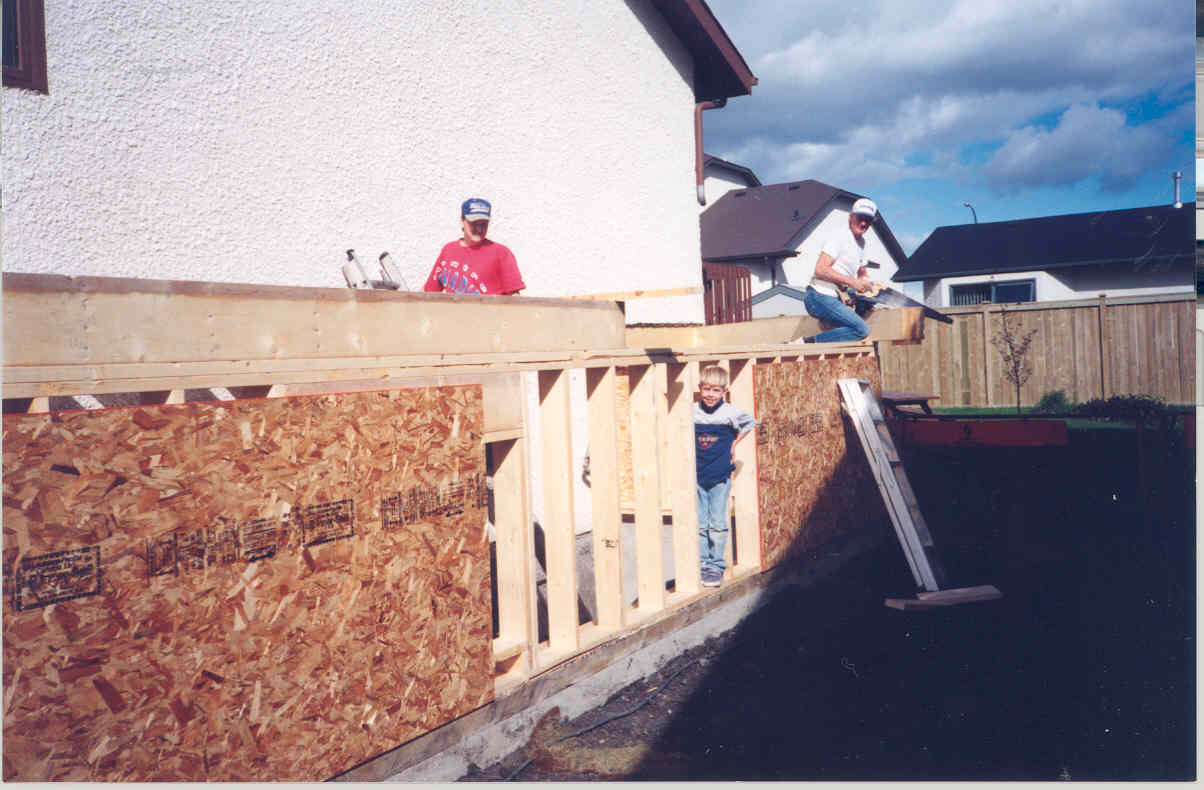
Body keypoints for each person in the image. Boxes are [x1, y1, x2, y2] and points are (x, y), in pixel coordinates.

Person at [694, 365, 756, 588]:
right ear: (700, 388)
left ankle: (716, 565)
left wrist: (734, 443)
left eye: (716, 390)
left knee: (718, 523)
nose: (711, 394)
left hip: (719, 476)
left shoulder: (730, 413)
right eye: (707, 389)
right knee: (700, 523)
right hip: (696, 476)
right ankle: (701, 563)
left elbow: (750, 422)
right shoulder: (692, 411)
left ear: (725, 391)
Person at [796, 196, 878, 343]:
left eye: (868, 220)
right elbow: (821, 269)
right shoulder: (840, 237)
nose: (863, 223)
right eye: (860, 218)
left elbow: (862, 273)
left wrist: (868, 286)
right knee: (861, 330)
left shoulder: (862, 244)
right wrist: (853, 282)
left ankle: (824, 334)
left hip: (837, 298)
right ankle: (808, 342)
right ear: (851, 217)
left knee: (864, 307)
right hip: (819, 296)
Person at [423, 198, 525, 295]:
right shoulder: (448, 250)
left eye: (484, 224)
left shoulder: (501, 253)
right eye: (474, 223)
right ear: (462, 221)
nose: (479, 229)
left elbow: (514, 297)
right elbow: (429, 292)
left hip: (488, 308)